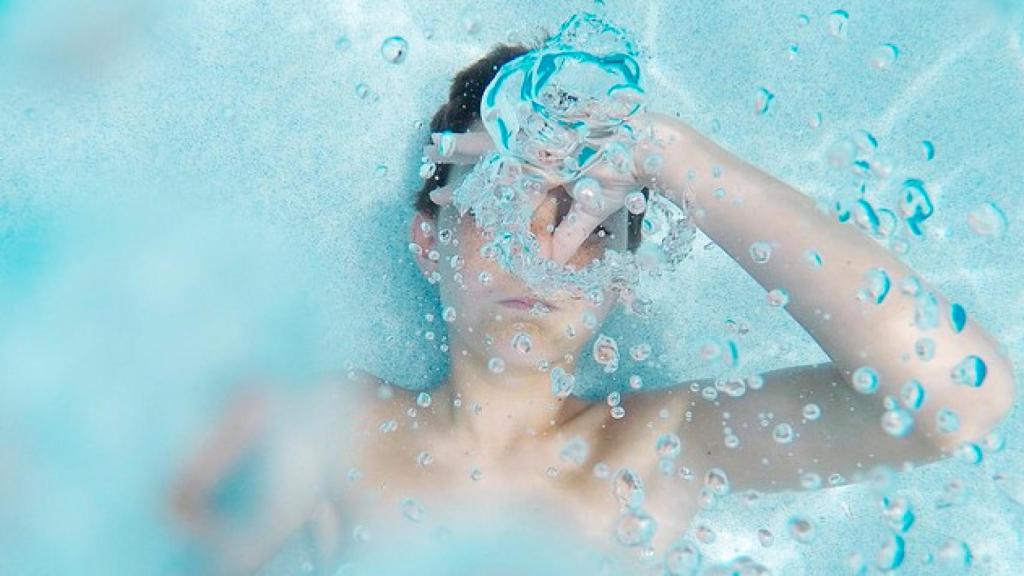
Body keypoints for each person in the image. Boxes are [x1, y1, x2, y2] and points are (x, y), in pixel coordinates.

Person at [168, 41, 1016, 575]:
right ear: (429, 242)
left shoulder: (665, 444)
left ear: (618, 278)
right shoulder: (330, 425)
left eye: (582, 215)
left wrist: (663, 151)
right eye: (503, 199)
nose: (542, 243)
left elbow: (954, 398)